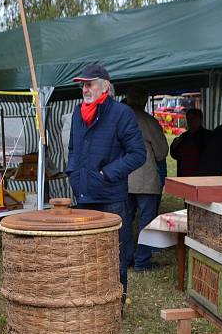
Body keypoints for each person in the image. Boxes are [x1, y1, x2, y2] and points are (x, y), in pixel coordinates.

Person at [66, 64, 145, 308]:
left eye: (89, 84)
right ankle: (90, 307)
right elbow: (72, 150)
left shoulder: (121, 113)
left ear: (105, 86)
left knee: (114, 256)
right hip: (84, 195)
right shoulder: (78, 114)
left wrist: (106, 173)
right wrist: (74, 174)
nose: (84, 89)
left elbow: (138, 154)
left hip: (111, 197)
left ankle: (115, 307)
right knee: (85, 255)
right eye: (82, 85)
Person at [123, 86, 168, 272]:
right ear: (143, 100)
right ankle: (142, 261)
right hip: (145, 178)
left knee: (124, 221)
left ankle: (125, 258)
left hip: (122, 178)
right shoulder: (148, 122)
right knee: (146, 222)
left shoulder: (118, 120)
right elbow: (162, 152)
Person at [170, 108, 210, 177]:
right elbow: (175, 155)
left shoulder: (208, 136)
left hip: (201, 176)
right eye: (188, 118)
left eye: (193, 118)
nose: (190, 121)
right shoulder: (183, 136)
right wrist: (174, 146)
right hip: (184, 176)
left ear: (200, 119)